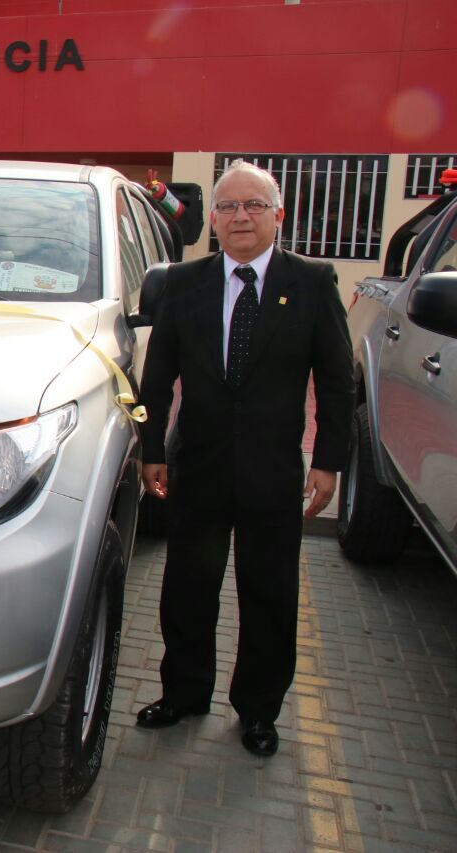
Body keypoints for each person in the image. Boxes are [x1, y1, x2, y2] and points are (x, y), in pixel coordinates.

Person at [135, 159, 354, 757]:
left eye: (253, 205)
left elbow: (338, 383)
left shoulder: (311, 281)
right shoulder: (184, 284)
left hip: (272, 473)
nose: (240, 217)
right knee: (187, 591)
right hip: (197, 468)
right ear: (215, 220)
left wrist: (329, 461)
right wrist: (151, 449)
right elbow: (158, 376)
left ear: (278, 215)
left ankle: (258, 711)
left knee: (269, 596)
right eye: (228, 206)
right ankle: (182, 694)